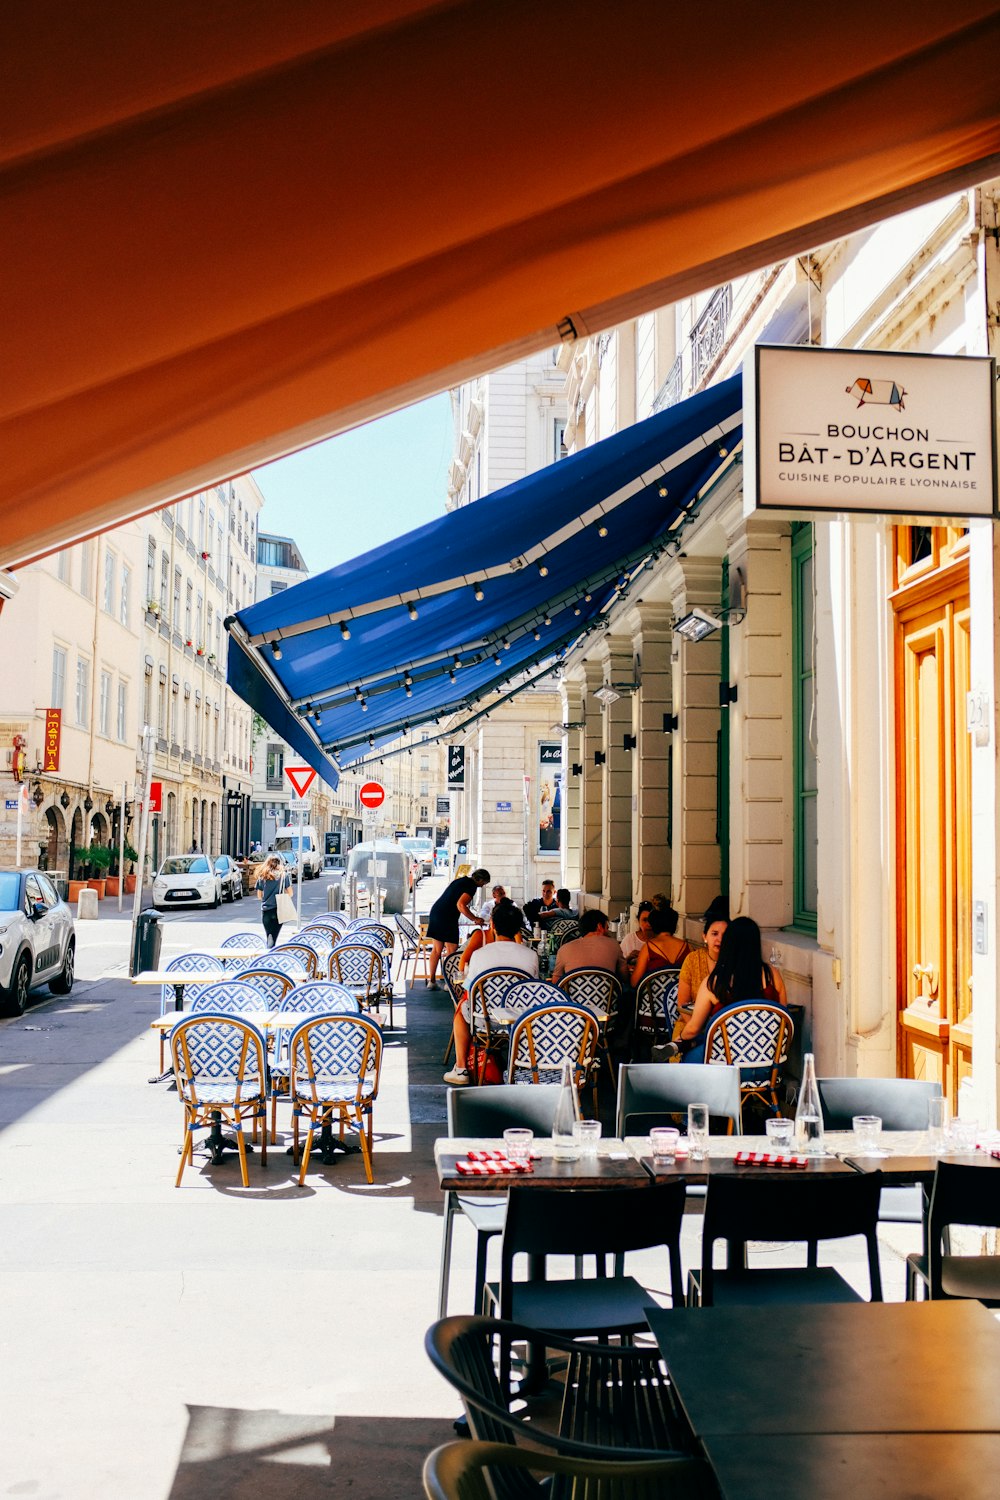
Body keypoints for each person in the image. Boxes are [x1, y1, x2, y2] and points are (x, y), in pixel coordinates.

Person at [444, 901, 538, 1086]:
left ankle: (461, 1067)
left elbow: (469, 990)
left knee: (462, 1007)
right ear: (518, 928)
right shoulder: (531, 955)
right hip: (518, 1022)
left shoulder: (480, 954)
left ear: (493, 925)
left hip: (483, 1021)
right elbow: (533, 989)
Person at [680, 915, 788, 1064]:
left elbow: (693, 1029)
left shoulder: (714, 983)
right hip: (767, 1066)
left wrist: (680, 1038)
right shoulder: (773, 976)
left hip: (724, 1067)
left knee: (688, 1056)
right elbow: (783, 1020)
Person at [426, 866, 490, 988]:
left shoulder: (460, 881)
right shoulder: (471, 886)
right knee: (452, 950)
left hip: (436, 912)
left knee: (436, 950)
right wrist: (475, 919)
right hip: (447, 916)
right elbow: (461, 905)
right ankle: (449, 982)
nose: (483, 885)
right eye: (484, 883)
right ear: (480, 880)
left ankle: (432, 981)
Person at [675, 897, 729, 1018]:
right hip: (691, 1023)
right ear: (704, 936)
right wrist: (696, 1032)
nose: (719, 940)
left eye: (725, 935)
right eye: (714, 934)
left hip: (725, 1030)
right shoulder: (693, 960)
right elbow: (682, 1004)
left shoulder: (735, 961)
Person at [551, 908, 629, 986]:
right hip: (608, 997)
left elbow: (556, 983)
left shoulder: (564, 949)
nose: (608, 932)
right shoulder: (614, 944)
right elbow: (625, 977)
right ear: (599, 927)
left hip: (573, 997)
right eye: (607, 928)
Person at [629, 903, 691, 987]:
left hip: (653, 999)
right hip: (680, 998)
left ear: (654, 925)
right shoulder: (688, 947)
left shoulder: (648, 947)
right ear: (674, 926)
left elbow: (634, 982)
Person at [253, 853, 287, 948]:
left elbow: (259, 896)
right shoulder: (283, 876)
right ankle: (271, 954)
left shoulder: (262, 876)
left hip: (266, 910)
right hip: (278, 910)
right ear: (279, 864)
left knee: (269, 935)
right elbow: (291, 893)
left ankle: (269, 952)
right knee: (274, 937)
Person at [621, 900, 654, 972]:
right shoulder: (629, 939)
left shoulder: (660, 941)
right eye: (645, 920)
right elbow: (620, 967)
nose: (649, 924)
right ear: (638, 921)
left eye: (651, 920)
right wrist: (629, 958)